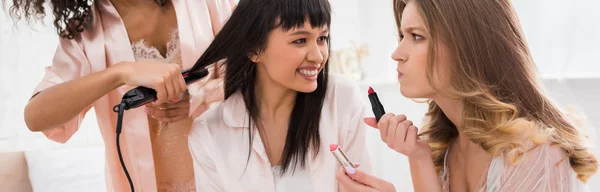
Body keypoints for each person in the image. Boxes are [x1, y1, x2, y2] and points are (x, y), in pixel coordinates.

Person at [336, 0, 598, 191]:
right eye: (403, 35)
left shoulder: (535, 155)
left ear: (467, 48)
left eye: (416, 36)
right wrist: (418, 156)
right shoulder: (447, 148)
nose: (397, 53)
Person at [9, 0, 234, 191]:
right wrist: (119, 73)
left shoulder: (208, 4)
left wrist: (201, 96)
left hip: (227, 176)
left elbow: (260, 75)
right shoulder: (86, 35)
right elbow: (35, 116)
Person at [185, 0, 372, 191]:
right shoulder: (208, 133)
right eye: (300, 40)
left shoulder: (341, 99)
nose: (317, 56)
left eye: (322, 38)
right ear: (254, 49)